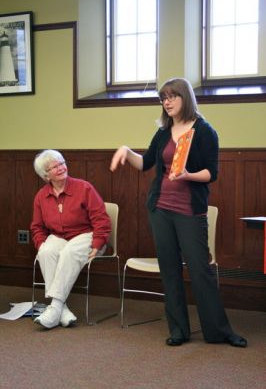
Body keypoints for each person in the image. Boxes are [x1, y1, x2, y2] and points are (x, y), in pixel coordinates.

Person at [110, 77, 247, 348]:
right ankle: (178, 330)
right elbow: (146, 163)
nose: (167, 102)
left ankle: (218, 331)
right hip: (160, 210)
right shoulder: (163, 132)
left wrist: (188, 175)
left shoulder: (205, 131)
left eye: (172, 96)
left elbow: (212, 173)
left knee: (200, 271)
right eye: (164, 98)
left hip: (189, 211)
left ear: (185, 98)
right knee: (169, 271)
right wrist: (126, 151)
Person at [31, 149, 111, 329]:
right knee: (46, 251)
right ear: (46, 176)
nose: (61, 168)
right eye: (54, 166)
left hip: (87, 235)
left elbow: (101, 220)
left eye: (62, 163)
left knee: (68, 252)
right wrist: (41, 243)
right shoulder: (41, 196)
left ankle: (53, 309)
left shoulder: (84, 188)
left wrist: (98, 244)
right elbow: (37, 227)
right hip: (60, 236)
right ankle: (61, 309)